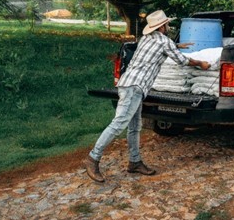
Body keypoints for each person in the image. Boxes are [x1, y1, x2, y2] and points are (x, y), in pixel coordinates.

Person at [85, 10, 211, 182]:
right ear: (162, 27)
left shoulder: (146, 39)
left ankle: (134, 162)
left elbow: (162, 48)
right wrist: (200, 63)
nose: (168, 26)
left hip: (128, 84)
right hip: (134, 88)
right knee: (118, 124)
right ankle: (93, 158)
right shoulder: (164, 42)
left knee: (135, 126)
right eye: (166, 24)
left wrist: (176, 46)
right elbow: (182, 61)